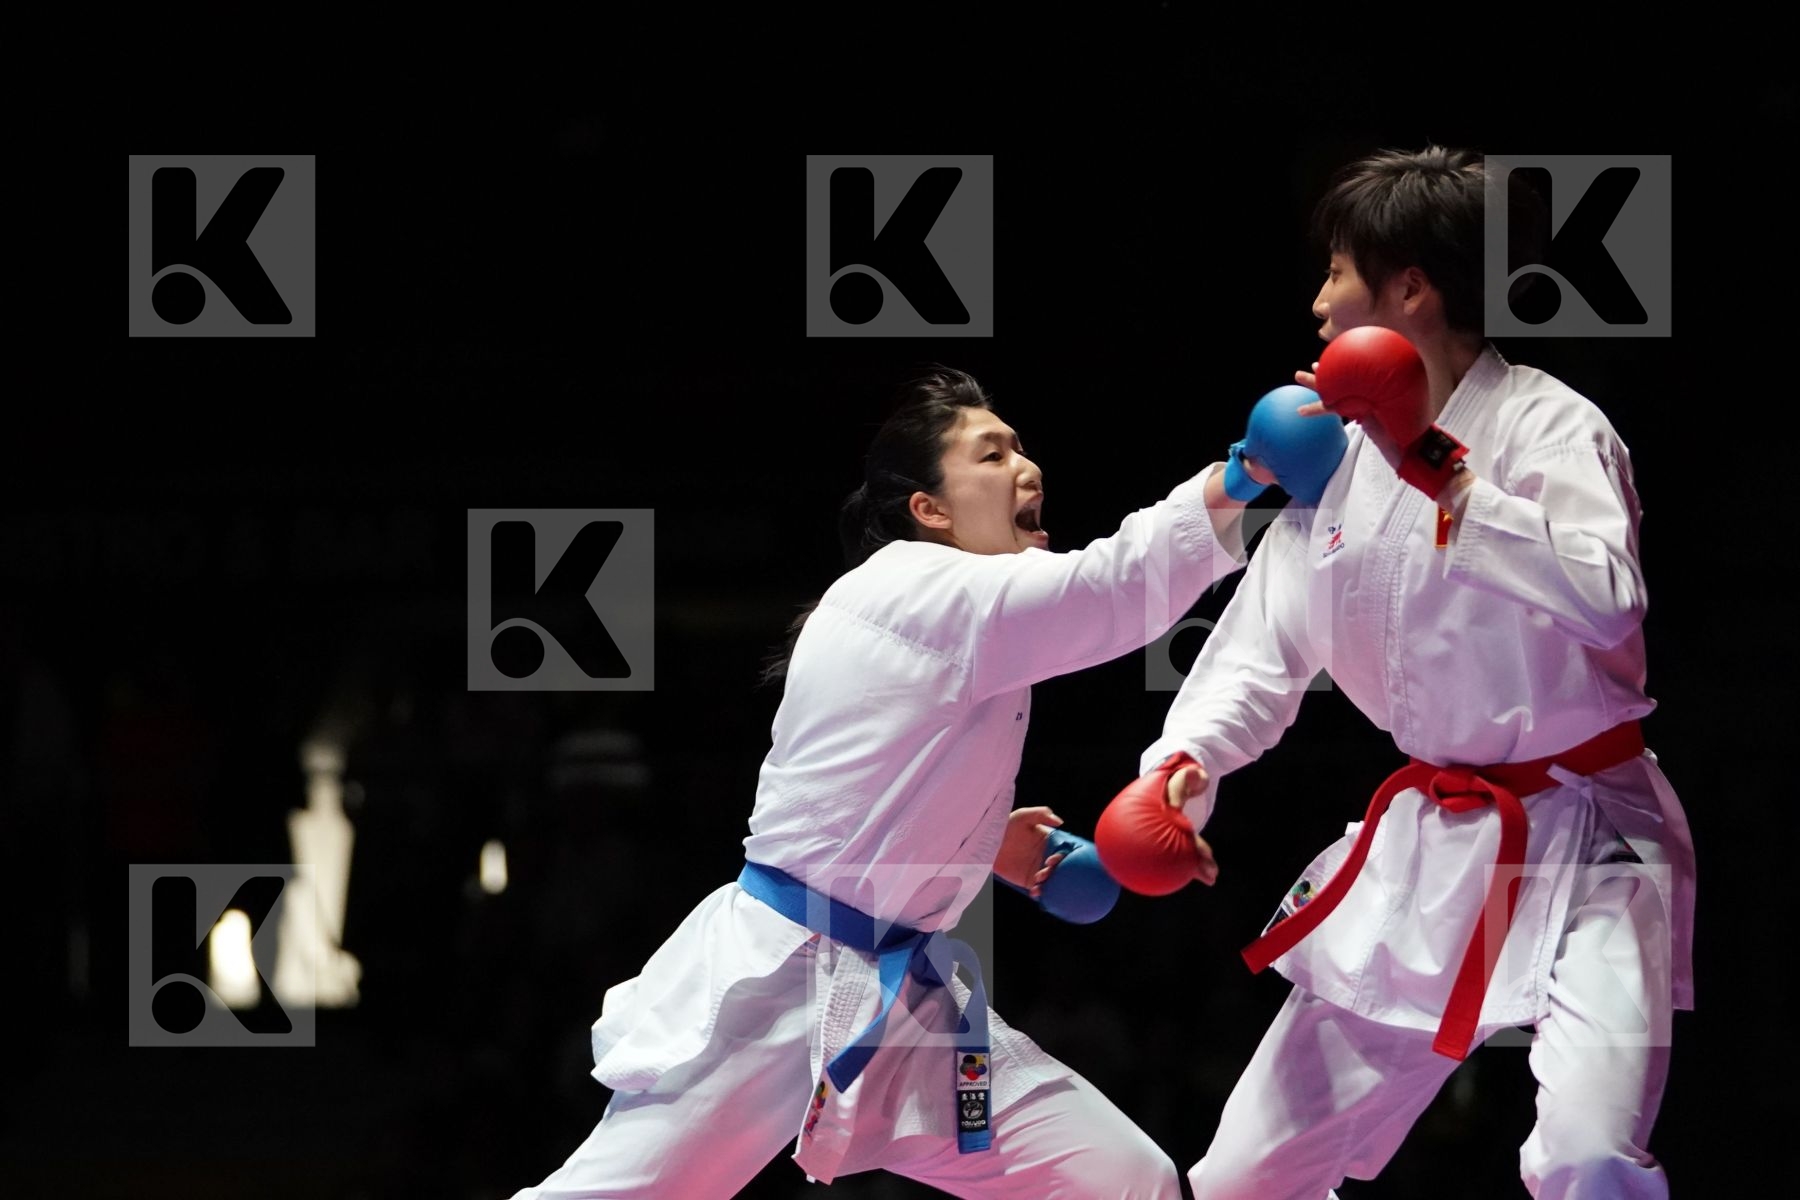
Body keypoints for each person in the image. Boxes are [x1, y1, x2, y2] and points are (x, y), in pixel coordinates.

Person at [505, 366, 1344, 1198]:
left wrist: (982, 847)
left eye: (1021, 448)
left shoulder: (935, 608)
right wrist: (1244, 478)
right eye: (991, 455)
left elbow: (868, 795)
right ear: (928, 510)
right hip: (780, 985)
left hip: (911, 1002)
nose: (1027, 468)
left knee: (1123, 1181)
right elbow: (1114, 587)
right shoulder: (922, 586)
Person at [1127, 146, 1696, 1198]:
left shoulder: (1552, 426)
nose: (1317, 302)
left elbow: (1606, 595)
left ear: (1409, 289)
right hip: (1431, 850)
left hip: (1590, 841)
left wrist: (1431, 460)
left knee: (1586, 1155)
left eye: (1335, 273)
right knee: (1248, 1173)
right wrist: (1186, 763)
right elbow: (1263, 649)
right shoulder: (1336, 463)